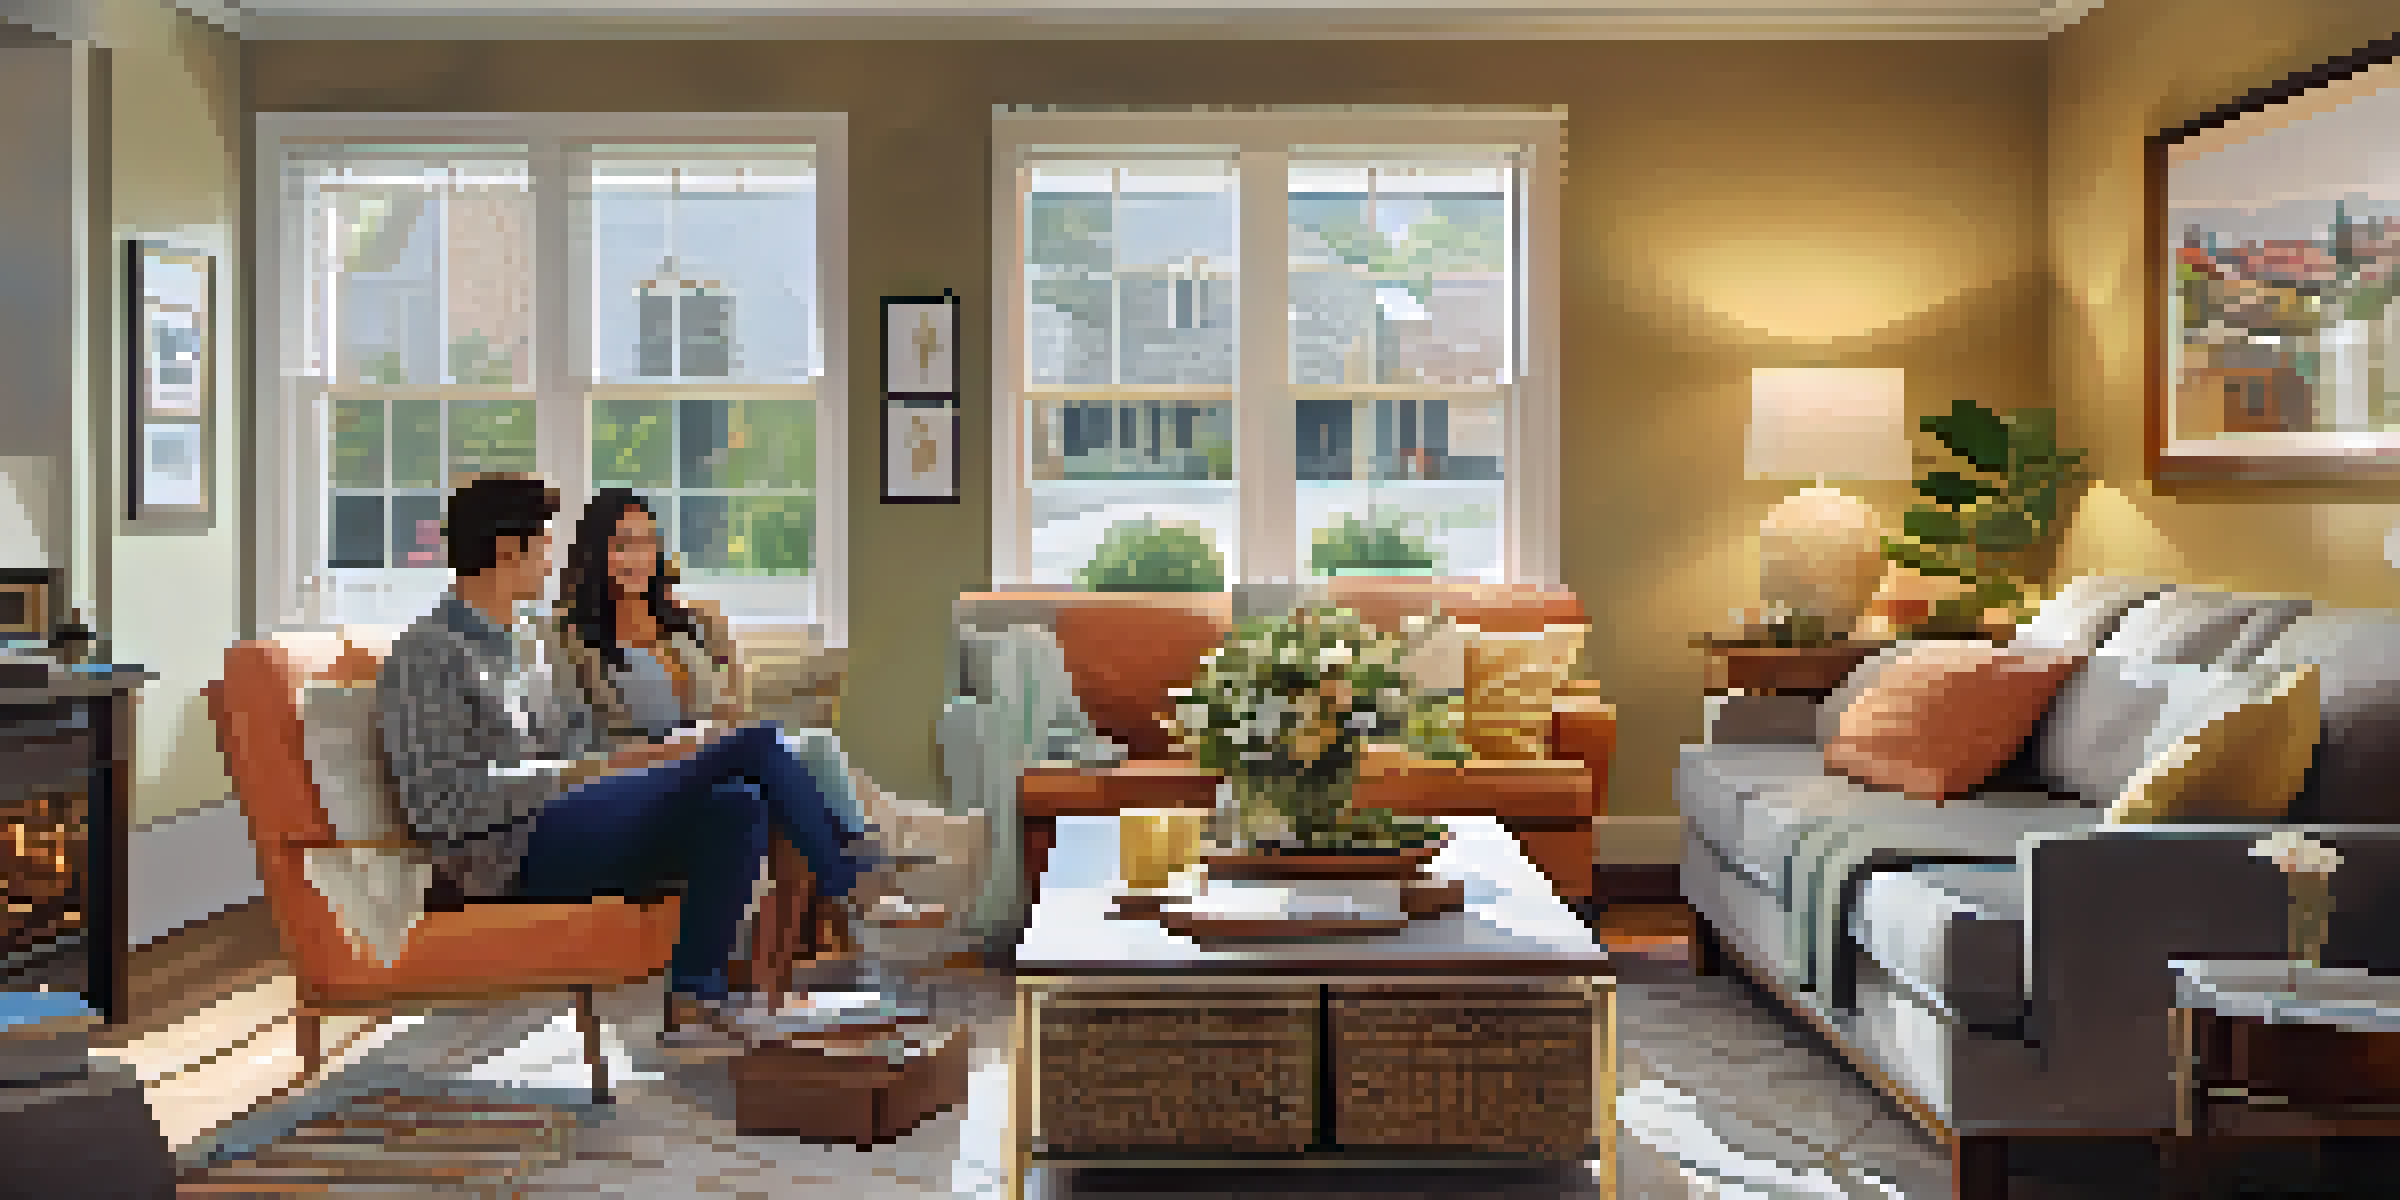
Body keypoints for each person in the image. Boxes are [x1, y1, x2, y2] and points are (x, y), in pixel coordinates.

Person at [375, 475, 890, 1054]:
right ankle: (857, 887)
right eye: (543, 543)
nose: (551, 557)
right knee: (755, 742)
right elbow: (440, 806)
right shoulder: (428, 653)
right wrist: (595, 772)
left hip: (567, 820)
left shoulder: (526, 642)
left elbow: (577, 746)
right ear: (506, 550)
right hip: (503, 854)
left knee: (738, 805)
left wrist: (646, 760)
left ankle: (695, 1001)